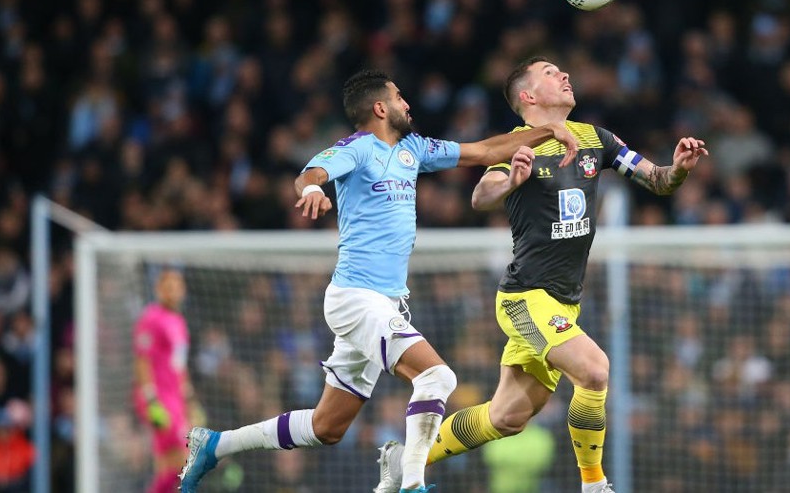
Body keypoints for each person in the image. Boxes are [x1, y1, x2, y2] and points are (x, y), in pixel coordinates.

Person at [179, 69, 578, 493]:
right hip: (356, 298)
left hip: (385, 303)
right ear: (380, 107)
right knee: (438, 378)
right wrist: (313, 189)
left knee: (327, 425)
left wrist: (548, 131)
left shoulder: (414, 149)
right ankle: (411, 483)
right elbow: (311, 172)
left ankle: (215, 445)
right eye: (400, 97)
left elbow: (482, 151)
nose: (408, 104)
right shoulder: (357, 150)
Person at [375, 56, 708, 493]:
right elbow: (480, 195)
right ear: (528, 97)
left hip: (565, 303)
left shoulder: (597, 139)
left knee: (506, 417)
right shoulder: (516, 145)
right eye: (551, 73)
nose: (565, 75)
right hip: (524, 298)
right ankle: (595, 485)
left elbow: (658, 180)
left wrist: (679, 168)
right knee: (594, 370)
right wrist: (511, 180)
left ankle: (406, 459)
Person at [133, 268, 204, 493]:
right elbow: (142, 360)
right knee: (183, 461)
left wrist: (190, 401)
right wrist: (151, 400)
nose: (173, 292)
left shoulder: (179, 322)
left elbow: (179, 366)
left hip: (176, 400)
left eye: (177, 287)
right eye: (168, 287)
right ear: (159, 290)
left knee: (169, 465)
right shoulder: (151, 318)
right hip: (160, 400)